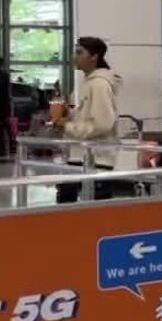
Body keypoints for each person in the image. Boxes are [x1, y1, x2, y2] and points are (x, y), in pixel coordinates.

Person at [57, 37, 123, 203]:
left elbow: (102, 124)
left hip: (95, 158)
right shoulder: (88, 83)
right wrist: (70, 114)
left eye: (80, 53)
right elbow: (88, 116)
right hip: (81, 156)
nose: (74, 56)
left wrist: (67, 126)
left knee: (84, 209)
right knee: (68, 206)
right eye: (75, 52)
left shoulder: (99, 85)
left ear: (94, 57)